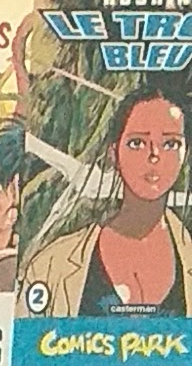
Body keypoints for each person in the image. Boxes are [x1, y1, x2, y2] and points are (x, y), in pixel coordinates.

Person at [34, 82, 192, 311]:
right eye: (137, 143)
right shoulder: (51, 265)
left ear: (185, 153)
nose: (154, 155)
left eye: (170, 143)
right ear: (114, 153)